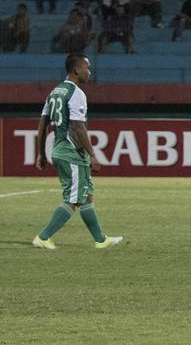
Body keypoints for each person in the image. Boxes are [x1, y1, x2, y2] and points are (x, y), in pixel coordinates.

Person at [32, 54, 123, 249]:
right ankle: (43, 237)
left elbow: (42, 125)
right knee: (72, 200)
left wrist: (40, 153)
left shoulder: (55, 91)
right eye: (86, 67)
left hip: (61, 149)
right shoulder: (76, 93)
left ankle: (101, 240)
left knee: (86, 196)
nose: (89, 71)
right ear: (76, 70)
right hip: (71, 152)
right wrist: (92, 154)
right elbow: (77, 127)